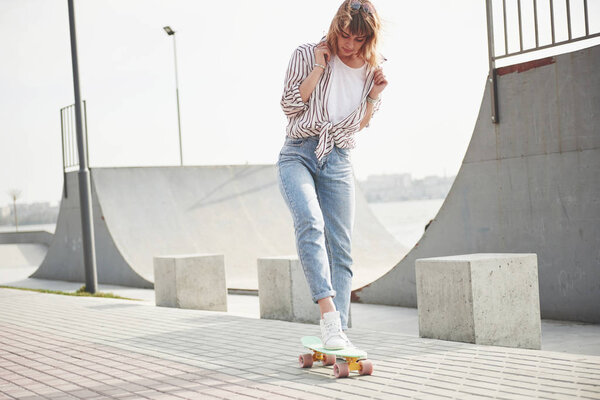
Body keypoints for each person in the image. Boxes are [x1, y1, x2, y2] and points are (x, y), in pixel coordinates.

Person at [277, 0, 388, 349]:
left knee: (341, 249)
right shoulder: (307, 53)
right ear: (335, 27)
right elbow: (289, 105)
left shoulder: (372, 69)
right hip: (298, 152)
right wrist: (318, 68)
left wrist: (372, 97)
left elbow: (359, 127)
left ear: (368, 38)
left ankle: (338, 334)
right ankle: (329, 318)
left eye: (358, 38)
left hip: (338, 160)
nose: (349, 44)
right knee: (310, 222)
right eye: (344, 34)